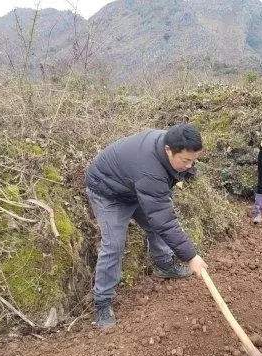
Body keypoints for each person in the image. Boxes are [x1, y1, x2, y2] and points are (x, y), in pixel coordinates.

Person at [85, 124, 208, 328]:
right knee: (114, 245)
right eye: (186, 161)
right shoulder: (150, 170)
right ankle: (102, 303)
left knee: (155, 224)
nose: (190, 165)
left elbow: (160, 215)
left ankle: (164, 265)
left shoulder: (169, 142)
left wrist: (186, 168)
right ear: (169, 150)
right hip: (107, 191)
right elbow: (164, 220)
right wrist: (191, 257)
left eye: (193, 160)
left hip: (133, 186)